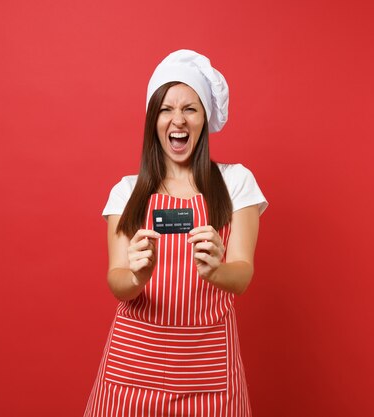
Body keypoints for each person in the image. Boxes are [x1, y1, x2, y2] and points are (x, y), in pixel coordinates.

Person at [84, 49, 267, 417]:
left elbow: (243, 273)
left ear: (204, 118)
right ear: (153, 119)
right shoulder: (127, 191)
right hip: (133, 370)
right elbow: (117, 281)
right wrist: (137, 275)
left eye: (190, 109)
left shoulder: (235, 182)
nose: (177, 120)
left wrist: (216, 269)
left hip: (209, 372)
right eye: (166, 109)